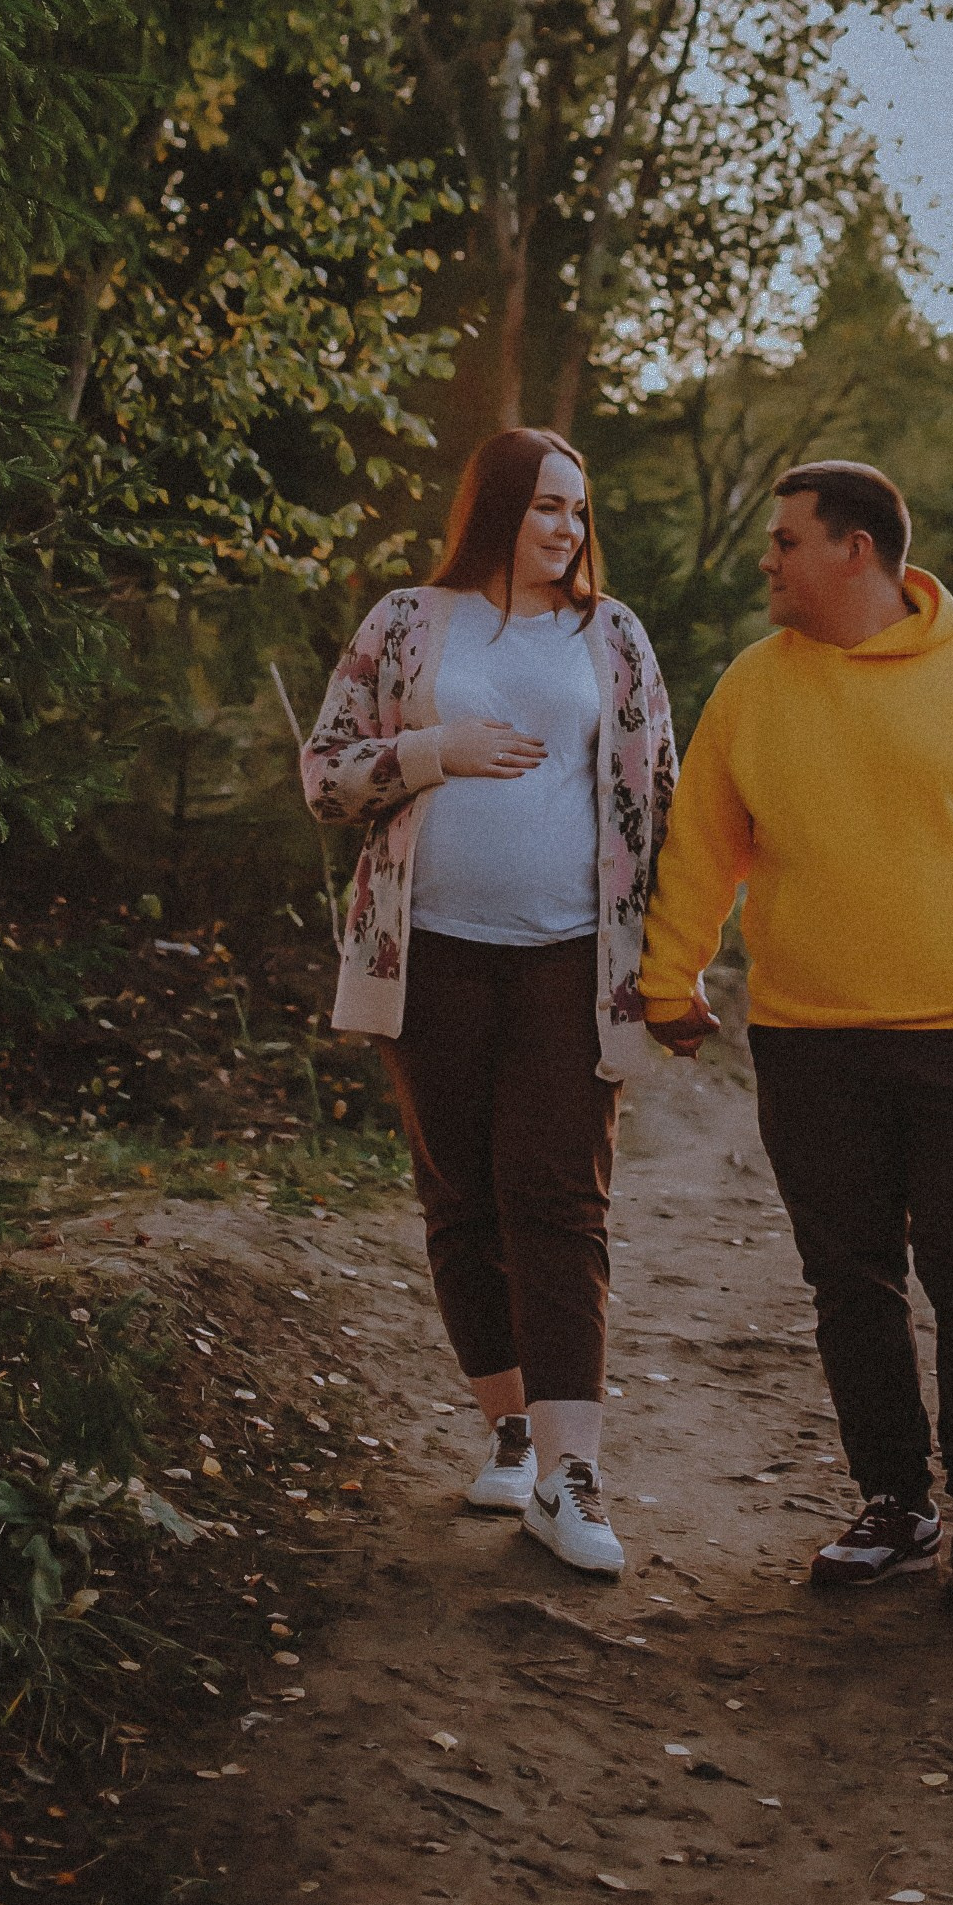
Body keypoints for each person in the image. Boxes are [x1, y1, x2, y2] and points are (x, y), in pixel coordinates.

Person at [641, 458, 953, 1620]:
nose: (768, 561)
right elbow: (702, 843)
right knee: (847, 1280)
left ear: (856, 549)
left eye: (786, 541)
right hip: (810, 1042)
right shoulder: (754, 688)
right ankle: (895, 1506)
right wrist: (670, 977)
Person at [300, 429, 675, 1579]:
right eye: (546, 506)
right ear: (496, 507)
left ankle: (572, 1479)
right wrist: (432, 749)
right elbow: (325, 775)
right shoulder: (410, 622)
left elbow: (657, 792)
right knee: (461, 1196)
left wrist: (675, 962)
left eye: (579, 508)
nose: (567, 528)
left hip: (569, 958)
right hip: (430, 960)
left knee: (558, 1200)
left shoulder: (608, 635)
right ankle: (509, 1434)